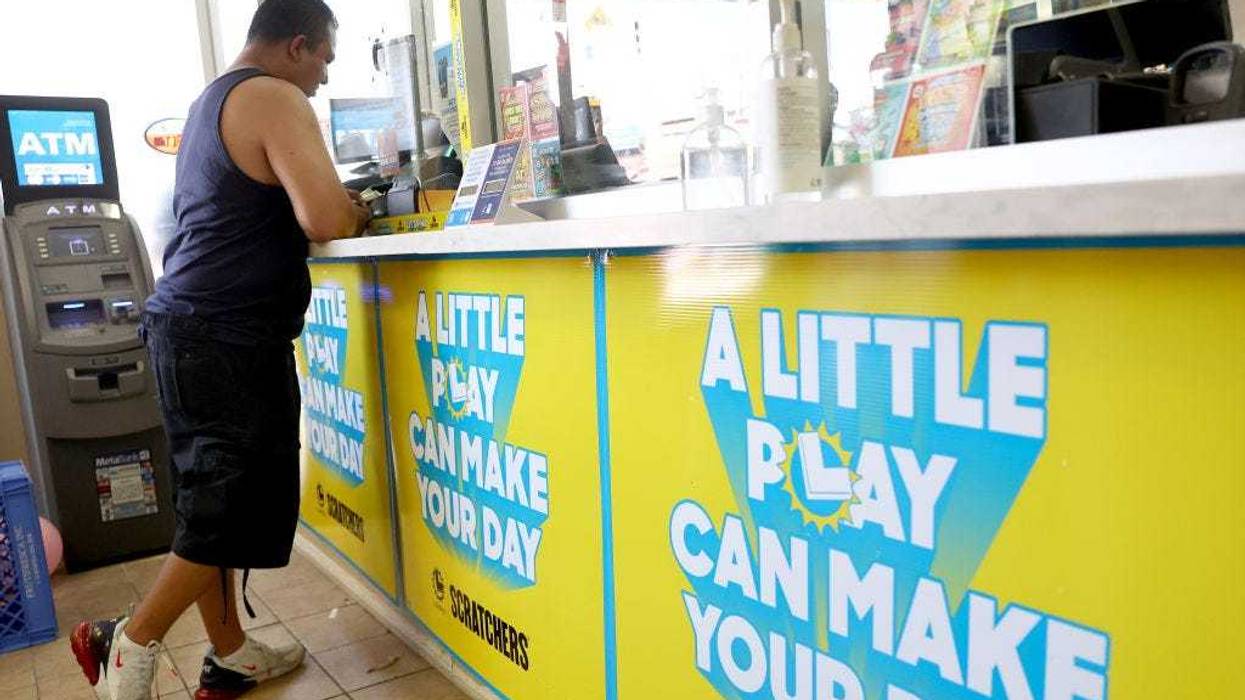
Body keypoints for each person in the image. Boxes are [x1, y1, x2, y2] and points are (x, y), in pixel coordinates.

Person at [69, 1, 370, 699]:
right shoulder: (274, 96)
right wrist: (354, 206)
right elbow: (325, 216)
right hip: (229, 336)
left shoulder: (212, 100)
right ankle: (131, 642)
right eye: (325, 57)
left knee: (209, 501)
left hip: (187, 329)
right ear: (297, 45)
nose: (325, 75)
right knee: (228, 507)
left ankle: (231, 651)